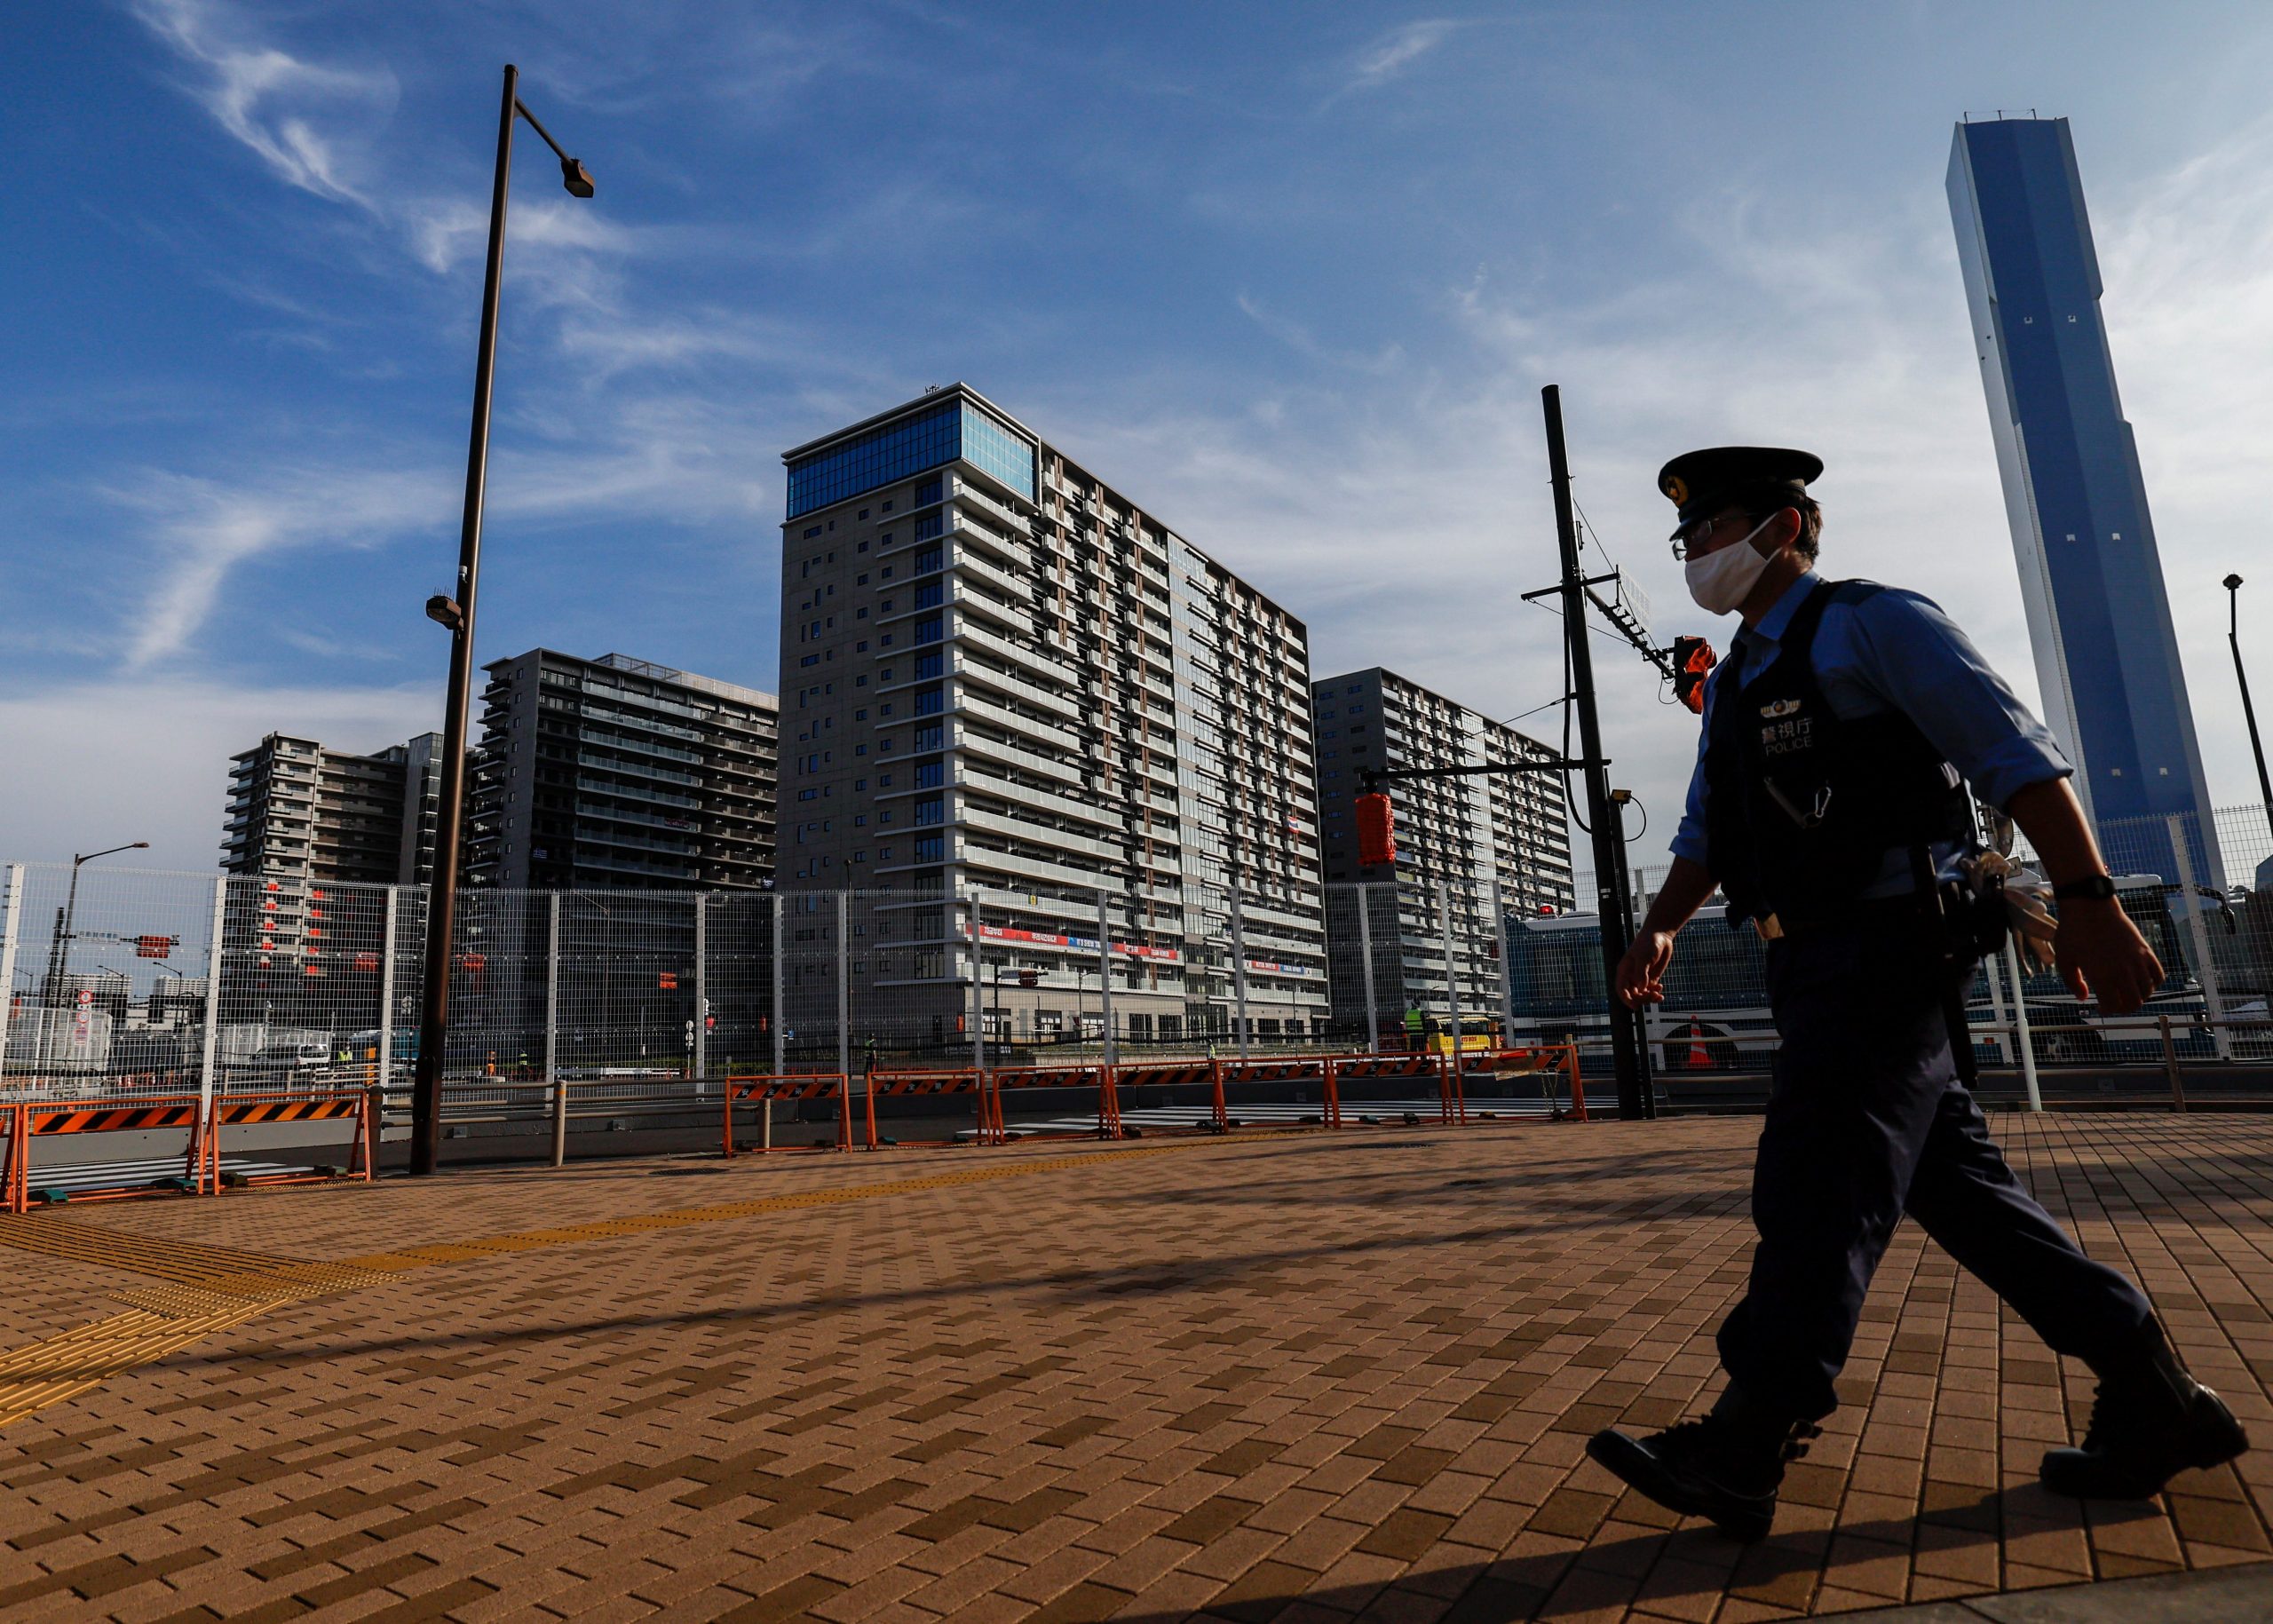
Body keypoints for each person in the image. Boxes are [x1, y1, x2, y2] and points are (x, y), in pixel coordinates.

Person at [1586, 446, 2247, 1542]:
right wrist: (1658, 923)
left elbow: (2013, 755)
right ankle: (2158, 1396)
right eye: (1686, 539)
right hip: (1808, 960)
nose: (1695, 553)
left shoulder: (1873, 621)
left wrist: (2087, 896)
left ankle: (1750, 1437)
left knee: (1813, 1182)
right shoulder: (1741, 674)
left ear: (1784, 527)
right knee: (1967, 1200)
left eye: (1711, 530)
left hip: (1888, 948)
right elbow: (1709, 826)